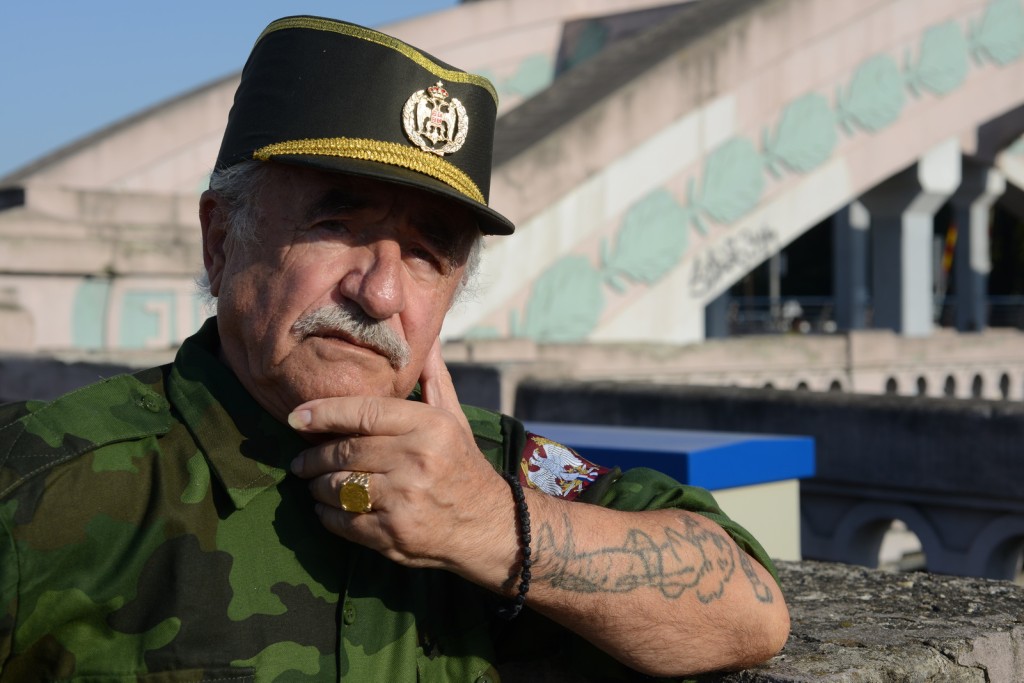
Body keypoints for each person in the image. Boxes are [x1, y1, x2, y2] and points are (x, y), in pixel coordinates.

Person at [0, 15, 789, 681]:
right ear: (220, 240)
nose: (379, 292)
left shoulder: (486, 470)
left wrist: (493, 527)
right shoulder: (44, 487)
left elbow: (750, 609)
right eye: (337, 224)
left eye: (425, 252)